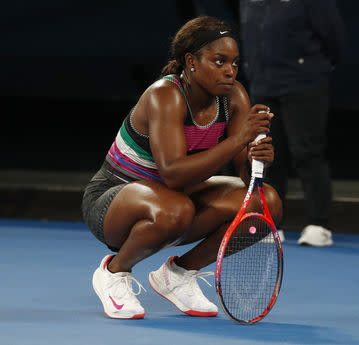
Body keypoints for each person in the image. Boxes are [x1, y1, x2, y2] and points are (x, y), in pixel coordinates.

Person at [81, 16, 282, 320]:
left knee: (265, 202)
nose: (230, 70)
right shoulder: (165, 95)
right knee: (176, 209)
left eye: (235, 63)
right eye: (219, 61)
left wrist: (258, 159)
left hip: (175, 199)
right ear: (191, 62)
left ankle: (177, 275)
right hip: (112, 201)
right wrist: (240, 137)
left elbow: (245, 175)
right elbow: (173, 174)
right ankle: (113, 272)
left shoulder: (234, 96)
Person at [239, 0, 345, 246]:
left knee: (307, 153)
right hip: (263, 86)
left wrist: (311, 68)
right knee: (268, 155)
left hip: (305, 85)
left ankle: (319, 224)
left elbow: (334, 38)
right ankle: (270, 222)